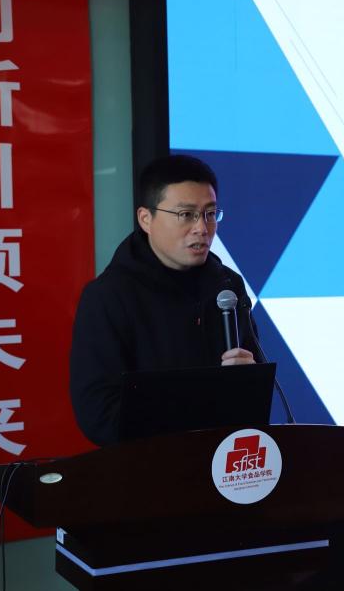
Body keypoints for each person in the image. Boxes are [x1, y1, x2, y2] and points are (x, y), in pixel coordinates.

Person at [69, 155, 265, 446]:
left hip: (226, 460)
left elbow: (256, 387)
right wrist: (198, 404)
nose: (202, 228)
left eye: (210, 214)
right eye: (186, 214)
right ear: (146, 219)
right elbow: (98, 415)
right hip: (150, 465)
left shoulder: (227, 286)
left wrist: (249, 380)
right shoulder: (107, 297)